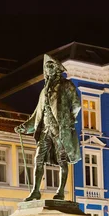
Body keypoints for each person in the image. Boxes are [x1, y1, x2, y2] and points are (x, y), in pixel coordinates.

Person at [15, 54, 81, 201]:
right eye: (46, 67)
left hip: (60, 129)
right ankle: (35, 191)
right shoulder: (43, 91)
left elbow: (77, 104)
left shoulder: (66, 85)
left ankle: (61, 192)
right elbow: (37, 114)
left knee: (62, 160)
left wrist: (69, 119)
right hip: (45, 129)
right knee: (38, 159)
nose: (48, 69)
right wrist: (25, 127)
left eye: (51, 66)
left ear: (57, 69)